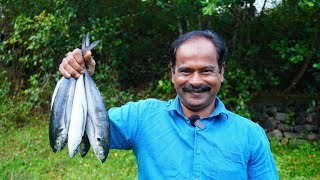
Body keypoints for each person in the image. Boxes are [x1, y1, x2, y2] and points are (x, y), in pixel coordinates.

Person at [59, 30, 279, 179]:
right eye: (185, 71)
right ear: (172, 74)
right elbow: (77, 128)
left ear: (221, 72)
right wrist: (75, 76)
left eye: (206, 70)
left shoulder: (251, 135)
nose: (195, 81)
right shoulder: (141, 117)